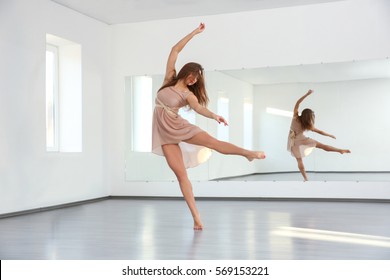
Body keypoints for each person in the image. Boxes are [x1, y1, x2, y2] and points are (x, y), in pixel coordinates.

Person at [152, 23, 266, 230]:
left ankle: (247, 153)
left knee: (214, 143)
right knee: (181, 176)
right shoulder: (169, 79)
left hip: (180, 127)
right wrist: (194, 33)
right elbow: (174, 50)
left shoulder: (189, 94)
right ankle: (196, 218)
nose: (194, 79)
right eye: (193, 75)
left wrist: (214, 115)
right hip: (164, 134)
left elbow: (198, 108)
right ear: (186, 72)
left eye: (197, 78)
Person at [287, 89, 351, 181]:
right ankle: (339, 150)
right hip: (302, 139)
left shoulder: (295, 117)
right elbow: (320, 131)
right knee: (322, 146)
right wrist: (329, 135)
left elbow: (298, 103)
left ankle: (305, 178)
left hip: (293, 141)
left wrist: (307, 94)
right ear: (309, 118)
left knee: (299, 160)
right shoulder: (307, 125)